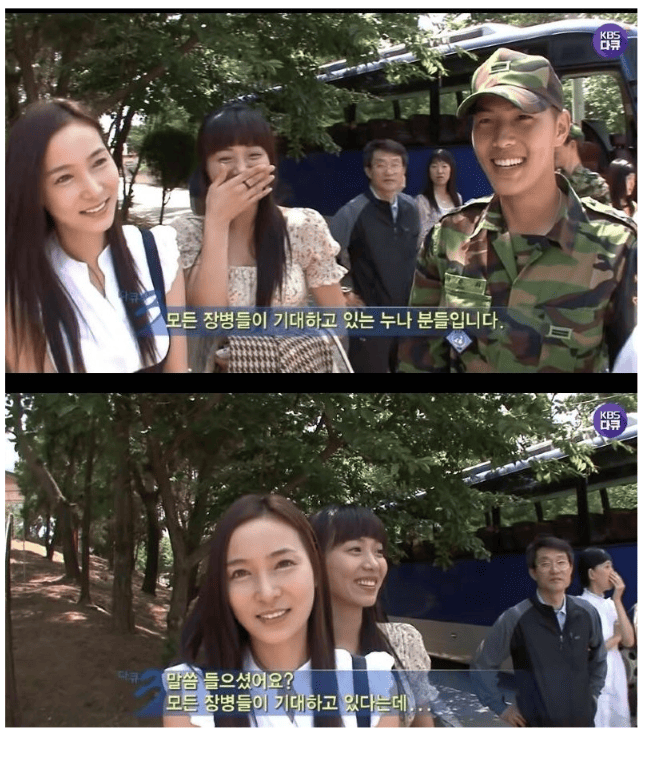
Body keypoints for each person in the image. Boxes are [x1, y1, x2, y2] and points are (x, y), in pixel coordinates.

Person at [398, 48, 637, 373]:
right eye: (485, 121)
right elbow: (420, 352)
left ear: (560, 128)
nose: (501, 139)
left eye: (523, 118)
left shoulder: (619, 247)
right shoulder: (448, 238)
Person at [163, 494, 399, 727]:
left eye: (284, 564)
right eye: (240, 573)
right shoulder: (192, 699)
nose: (266, 593)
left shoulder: (371, 684)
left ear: (316, 571)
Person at [5, 99, 187, 373]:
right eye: (64, 178)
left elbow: (178, 369)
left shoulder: (157, 252)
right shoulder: (19, 290)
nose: (93, 189)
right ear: (36, 193)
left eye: (99, 162)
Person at [170, 105, 349, 373]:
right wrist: (217, 223)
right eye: (224, 158)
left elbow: (337, 319)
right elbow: (207, 320)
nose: (241, 169)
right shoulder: (186, 232)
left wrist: (261, 352)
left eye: (254, 155)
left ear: (271, 161)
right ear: (206, 168)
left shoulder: (303, 225)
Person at [310, 506, 448, 727]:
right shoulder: (286, 653)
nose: (373, 564)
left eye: (379, 552)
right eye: (355, 549)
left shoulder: (403, 642)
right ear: (314, 562)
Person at [470, 535, 607, 727]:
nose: (555, 570)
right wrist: (500, 707)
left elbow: (599, 659)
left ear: (571, 569)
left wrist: (592, 695)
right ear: (533, 572)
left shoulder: (587, 612)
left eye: (561, 562)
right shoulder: (515, 617)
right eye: (545, 564)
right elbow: (482, 664)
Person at [328, 139, 420, 372]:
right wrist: (344, 293)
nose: (389, 171)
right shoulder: (351, 212)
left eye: (395, 164)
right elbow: (323, 258)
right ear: (369, 171)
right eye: (381, 164)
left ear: (403, 170)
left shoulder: (411, 208)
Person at [576, 547, 634, 726]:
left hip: (616, 676)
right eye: (607, 567)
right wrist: (615, 639)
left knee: (619, 722)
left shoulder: (611, 605)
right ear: (592, 574)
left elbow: (629, 640)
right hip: (593, 680)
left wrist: (618, 600)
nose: (613, 572)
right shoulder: (579, 606)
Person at [415, 148, 463, 250]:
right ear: (429, 171)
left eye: (444, 166)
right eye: (434, 166)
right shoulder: (422, 201)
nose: (440, 171)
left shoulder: (457, 198)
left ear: (451, 170)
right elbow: (421, 236)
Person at [554, 122, 612, 204]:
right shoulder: (552, 182)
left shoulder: (595, 186)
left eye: (557, 143)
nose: (552, 148)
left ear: (572, 145)